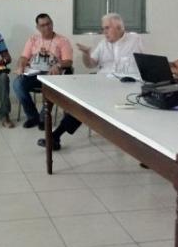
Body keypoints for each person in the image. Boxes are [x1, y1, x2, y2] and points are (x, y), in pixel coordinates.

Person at [37, 13, 144, 150]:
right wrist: (86, 54)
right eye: (103, 28)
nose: (104, 32)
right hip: (105, 86)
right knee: (82, 103)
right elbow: (90, 64)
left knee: (88, 106)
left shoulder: (134, 39)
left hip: (128, 87)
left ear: (119, 27)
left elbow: (141, 61)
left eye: (107, 28)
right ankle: (55, 137)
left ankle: (56, 136)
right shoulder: (103, 43)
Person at [14, 13, 73, 129]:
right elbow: (24, 57)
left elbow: (68, 61)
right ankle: (32, 116)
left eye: (49, 24)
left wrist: (58, 64)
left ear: (52, 23)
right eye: (43, 25)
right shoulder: (33, 39)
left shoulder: (62, 40)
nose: (47, 27)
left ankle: (43, 118)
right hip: (33, 74)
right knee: (17, 84)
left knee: (50, 87)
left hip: (52, 75)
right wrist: (21, 65)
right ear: (38, 27)